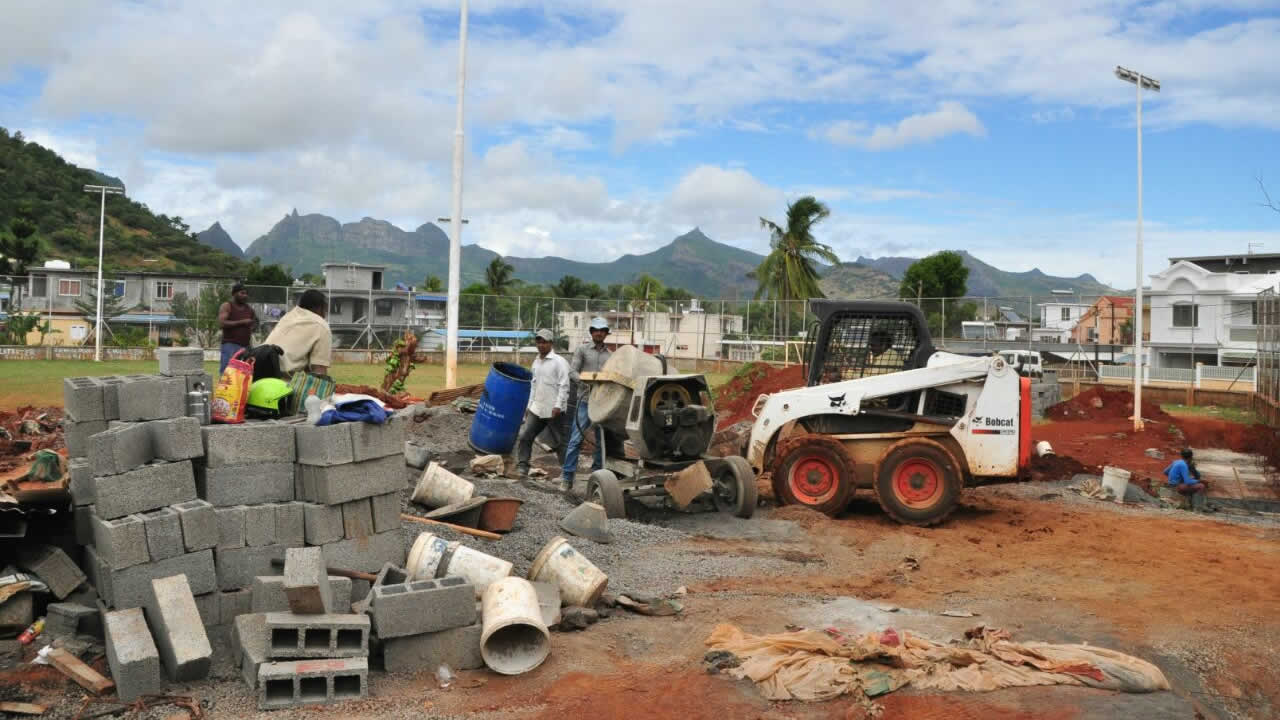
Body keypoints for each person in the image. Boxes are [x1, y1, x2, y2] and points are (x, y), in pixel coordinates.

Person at [561, 317, 612, 491]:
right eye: (596, 330)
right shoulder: (582, 350)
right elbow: (572, 371)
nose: (599, 333)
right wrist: (585, 380)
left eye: (602, 330)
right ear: (591, 332)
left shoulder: (610, 355)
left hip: (602, 404)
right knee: (576, 439)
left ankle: (597, 474)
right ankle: (567, 477)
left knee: (602, 440)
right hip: (584, 401)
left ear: (606, 333)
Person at [515, 329, 571, 479]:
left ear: (551, 343)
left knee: (559, 442)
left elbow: (564, 385)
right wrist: (529, 405)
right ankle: (522, 466)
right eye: (538, 341)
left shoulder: (559, 362)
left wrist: (558, 405)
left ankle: (566, 473)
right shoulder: (536, 362)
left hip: (554, 409)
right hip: (537, 407)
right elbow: (534, 385)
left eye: (544, 342)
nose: (541, 345)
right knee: (525, 435)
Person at [263, 289, 332, 377]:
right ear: (319, 308)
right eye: (325, 310)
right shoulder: (321, 325)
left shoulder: (288, 316)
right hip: (278, 380)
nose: (324, 315)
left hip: (256, 371)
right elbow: (319, 370)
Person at [217, 283, 257, 375]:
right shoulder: (227, 306)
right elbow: (222, 323)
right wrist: (242, 322)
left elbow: (254, 323)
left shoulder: (250, 309)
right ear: (233, 294)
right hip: (230, 345)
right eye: (242, 293)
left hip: (245, 346)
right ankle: (224, 389)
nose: (245, 296)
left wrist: (253, 326)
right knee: (227, 372)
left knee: (243, 373)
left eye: (246, 293)